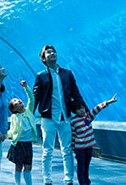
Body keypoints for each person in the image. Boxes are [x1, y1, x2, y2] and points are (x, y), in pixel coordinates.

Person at [32, 45, 88, 185]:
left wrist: (85, 110)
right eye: (48, 52)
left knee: (67, 150)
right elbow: (35, 97)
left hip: (65, 117)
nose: (52, 53)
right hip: (48, 118)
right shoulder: (41, 76)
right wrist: (29, 116)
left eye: (53, 51)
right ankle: (47, 180)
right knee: (47, 151)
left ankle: (68, 180)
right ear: (43, 58)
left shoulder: (67, 73)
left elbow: (76, 93)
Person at [70, 94, 118, 185]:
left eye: (82, 108)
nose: (82, 110)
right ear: (74, 111)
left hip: (89, 148)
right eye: (78, 109)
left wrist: (109, 102)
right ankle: (82, 183)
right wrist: (73, 147)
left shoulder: (88, 117)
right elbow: (73, 135)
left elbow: (97, 108)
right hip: (79, 149)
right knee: (81, 167)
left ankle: (87, 181)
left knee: (87, 166)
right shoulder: (73, 121)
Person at [7, 80, 38, 185]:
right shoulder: (14, 117)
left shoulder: (29, 111)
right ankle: (18, 184)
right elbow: (12, 130)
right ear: (14, 109)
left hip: (28, 143)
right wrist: (5, 135)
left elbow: (32, 98)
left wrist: (26, 87)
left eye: (18, 99)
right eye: (14, 101)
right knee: (18, 166)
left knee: (28, 166)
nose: (18, 100)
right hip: (19, 144)